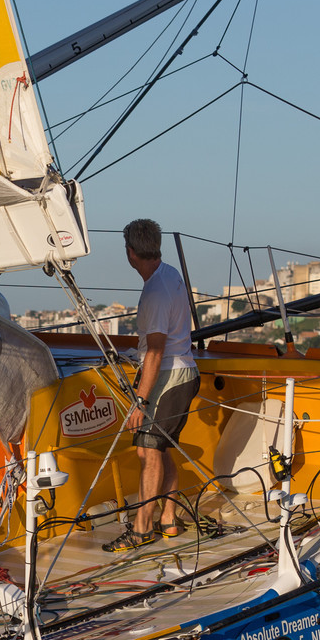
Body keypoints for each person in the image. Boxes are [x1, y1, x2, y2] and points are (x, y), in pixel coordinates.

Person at [109, 218, 200, 551]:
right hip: (182, 371)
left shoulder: (155, 292)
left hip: (170, 375)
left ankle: (142, 528)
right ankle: (168, 520)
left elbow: (158, 350)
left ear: (131, 252)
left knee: (147, 451)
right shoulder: (169, 274)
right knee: (160, 448)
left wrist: (140, 401)